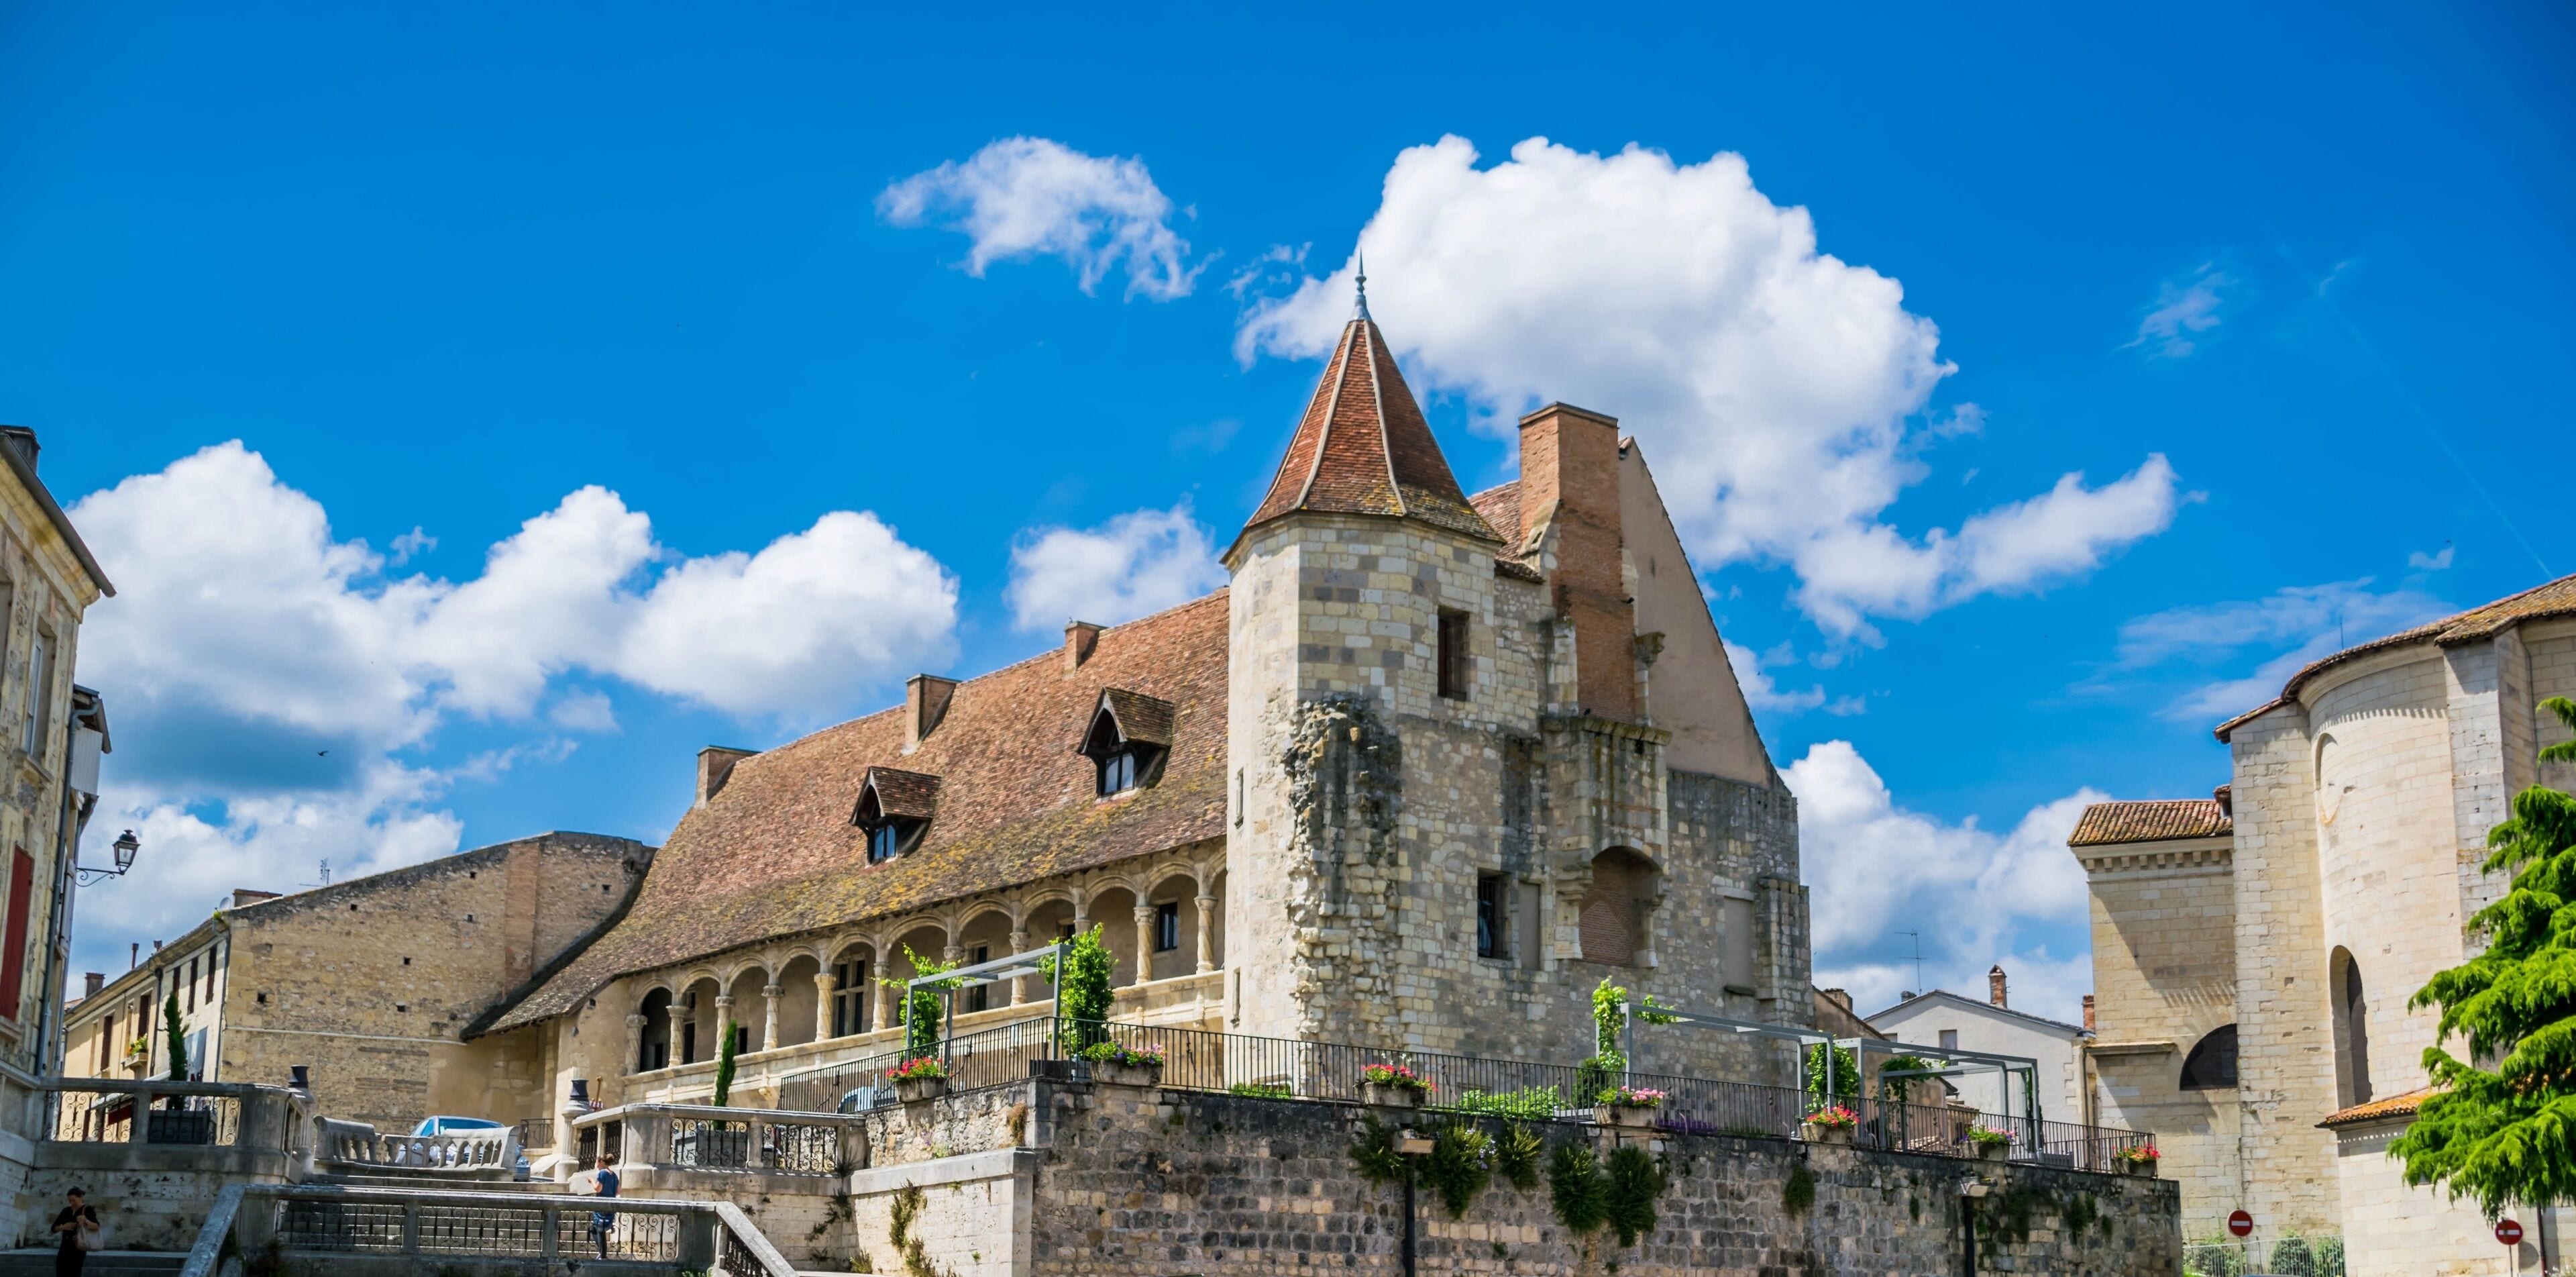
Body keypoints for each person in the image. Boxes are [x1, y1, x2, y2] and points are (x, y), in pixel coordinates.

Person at [50, 1187, 100, 1274]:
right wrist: (63, 1227)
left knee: (75, 1271)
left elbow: (96, 1227)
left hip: (79, 1247)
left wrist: (86, 1221)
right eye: (70, 1201)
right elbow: (53, 1228)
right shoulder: (66, 1210)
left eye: (74, 1200)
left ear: (80, 1197)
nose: (71, 1203)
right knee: (60, 1271)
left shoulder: (88, 1210)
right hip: (65, 1247)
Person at [585, 1154, 621, 1258]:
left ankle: (603, 1255)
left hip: (602, 1203)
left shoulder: (602, 1173)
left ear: (601, 1162)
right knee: (595, 1228)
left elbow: (598, 1189)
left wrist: (591, 1181)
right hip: (611, 1203)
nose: (596, 1164)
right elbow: (618, 1191)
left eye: (597, 1162)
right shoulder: (614, 1175)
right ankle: (602, 1253)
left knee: (599, 1228)